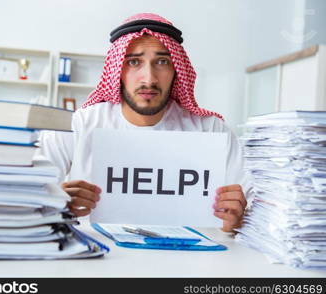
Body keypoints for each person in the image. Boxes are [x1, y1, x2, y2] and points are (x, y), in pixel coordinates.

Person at [37, 13, 249, 232]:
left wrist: (237, 221)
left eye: (162, 61)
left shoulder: (212, 131)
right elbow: (27, 198)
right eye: (134, 62)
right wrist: (57, 204)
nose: (149, 79)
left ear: (176, 69)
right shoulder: (78, 124)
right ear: (118, 70)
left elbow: (252, 210)